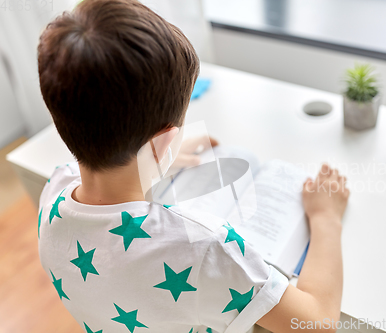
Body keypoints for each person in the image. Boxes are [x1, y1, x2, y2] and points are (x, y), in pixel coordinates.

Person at [37, 0, 349, 332]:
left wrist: (156, 159)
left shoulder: (53, 192)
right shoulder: (203, 247)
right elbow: (316, 323)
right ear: (163, 142)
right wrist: (325, 217)